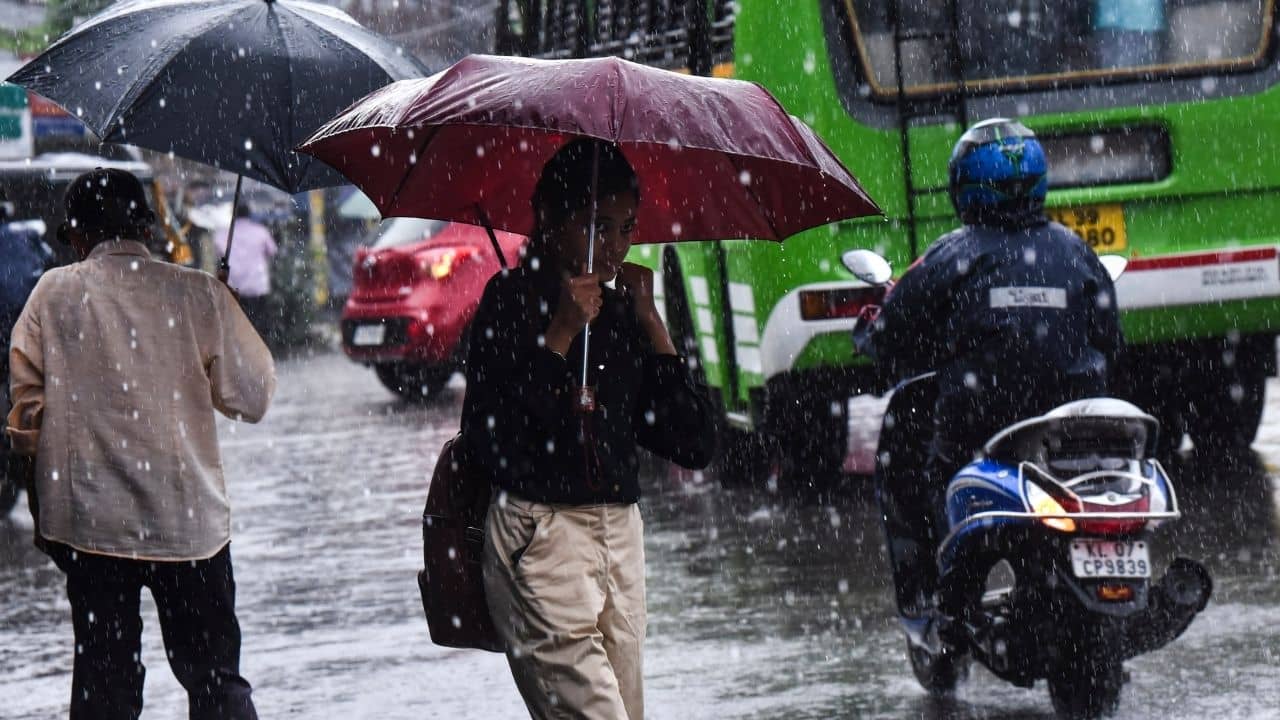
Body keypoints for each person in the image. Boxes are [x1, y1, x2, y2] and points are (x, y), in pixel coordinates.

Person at [6, 168, 276, 720]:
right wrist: (221, 310)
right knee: (215, 682)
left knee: (106, 684)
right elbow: (252, 397)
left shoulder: (52, 295)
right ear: (148, 230)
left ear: (78, 237)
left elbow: (26, 417)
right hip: (190, 527)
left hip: (91, 527)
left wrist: (44, 508)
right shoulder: (196, 292)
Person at [463, 139, 716, 719]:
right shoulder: (509, 302)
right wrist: (558, 335)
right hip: (540, 534)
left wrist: (654, 323)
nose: (615, 247)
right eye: (597, 226)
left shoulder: (624, 311)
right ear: (550, 219)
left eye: (627, 228)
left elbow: (694, 442)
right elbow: (492, 442)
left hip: (621, 536)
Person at [861, 119, 1124, 623]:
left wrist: (871, 332)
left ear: (965, 187)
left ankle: (942, 599)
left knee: (931, 478)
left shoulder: (954, 252)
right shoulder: (1075, 251)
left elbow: (892, 330)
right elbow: (1111, 340)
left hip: (983, 418)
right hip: (1074, 422)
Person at [214, 202, 278, 332]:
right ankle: (260, 348)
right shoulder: (261, 232)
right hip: (257, 285)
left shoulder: (224, 234)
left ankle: (241, 349)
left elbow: (220, 254)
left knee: (237, 325)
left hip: (235, 286)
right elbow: (272, 251)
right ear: (249, 214)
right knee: (259, 323)